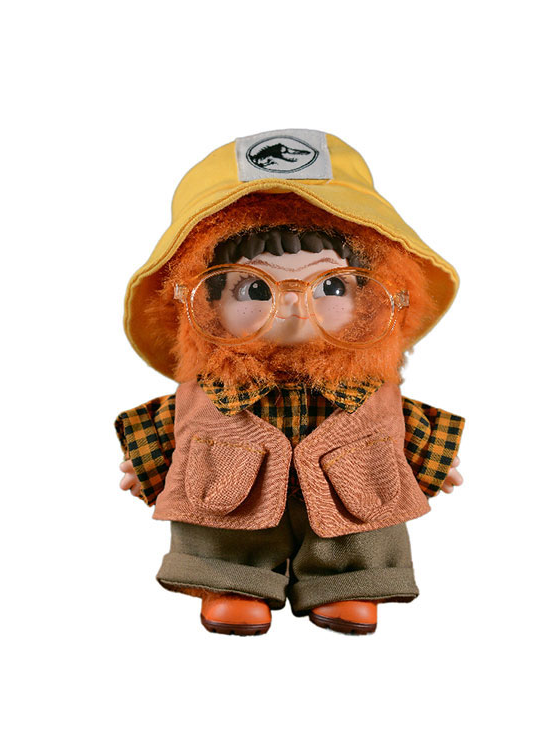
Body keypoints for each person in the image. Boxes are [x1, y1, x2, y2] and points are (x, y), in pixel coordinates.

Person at [115, 129, 464, 635]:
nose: (295, 304)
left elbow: (401, 423)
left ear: (375, 296)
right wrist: (147, 461)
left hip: (353, 504)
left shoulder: (370, 388)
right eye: (255, 288)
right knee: (219, 530)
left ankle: (350, 580)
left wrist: (433, 460)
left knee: (364, 528)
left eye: (331, 285)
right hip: (227, 506)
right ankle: (231, 580)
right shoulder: (208, 392)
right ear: (203, 300)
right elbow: (175, 423)